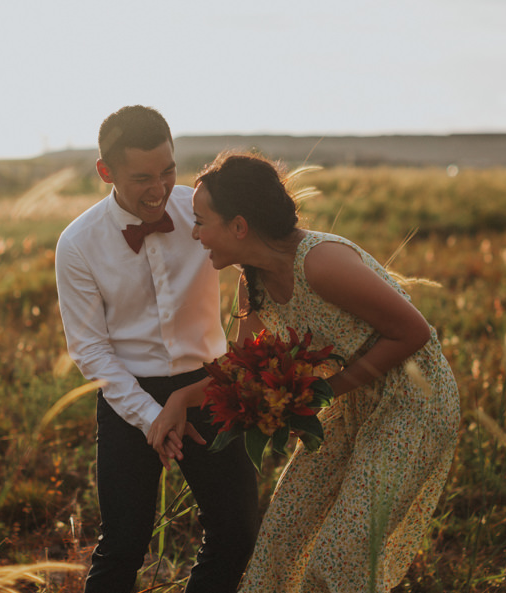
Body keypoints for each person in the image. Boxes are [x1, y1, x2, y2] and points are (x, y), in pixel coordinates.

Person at [148, 152, 460, 592]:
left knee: (342, 553)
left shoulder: (320, 263)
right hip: (346, 403)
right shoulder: (250, 280)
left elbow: (414, 333)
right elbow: (242, 370)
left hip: (413, 403)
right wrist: (181, 399)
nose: (194, 233)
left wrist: (322, 391)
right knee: (281, 537)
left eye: (201, 221)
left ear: (239, 226)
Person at [55, 107, 259, 593]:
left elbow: (257, 260)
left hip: (212, 387)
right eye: (142, 177)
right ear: (106, 172)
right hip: (129, 394)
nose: (160, 188)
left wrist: (248, 326)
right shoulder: (78, 245)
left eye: (168, 171)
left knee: (237, 532)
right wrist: (152, 417)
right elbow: (91, 351)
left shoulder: (202, 209)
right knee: (123, 545)